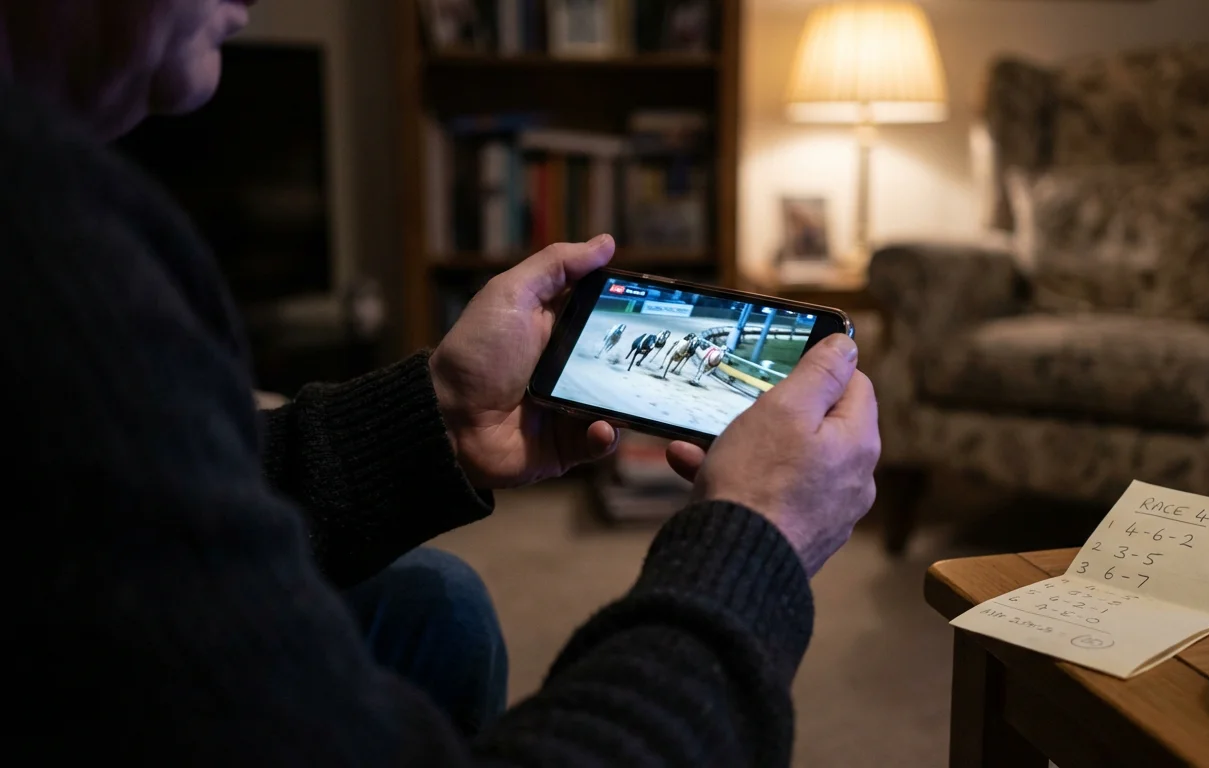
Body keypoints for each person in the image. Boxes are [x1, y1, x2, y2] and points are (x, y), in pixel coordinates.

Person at [2, 1, 880, 765]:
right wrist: (754, 545)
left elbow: (158, 510)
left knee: (440, 605)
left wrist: (441, 420)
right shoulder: (54, 263)